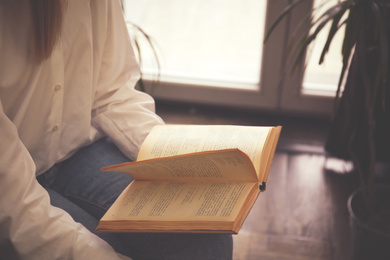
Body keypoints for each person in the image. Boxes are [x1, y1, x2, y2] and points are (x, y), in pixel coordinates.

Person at [0, 0, 233, 259]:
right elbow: (12, 203)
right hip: (13, 183)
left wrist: (175, 158)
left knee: (206, 234)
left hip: (74, 152)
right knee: (111, 248)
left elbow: (113, 91)